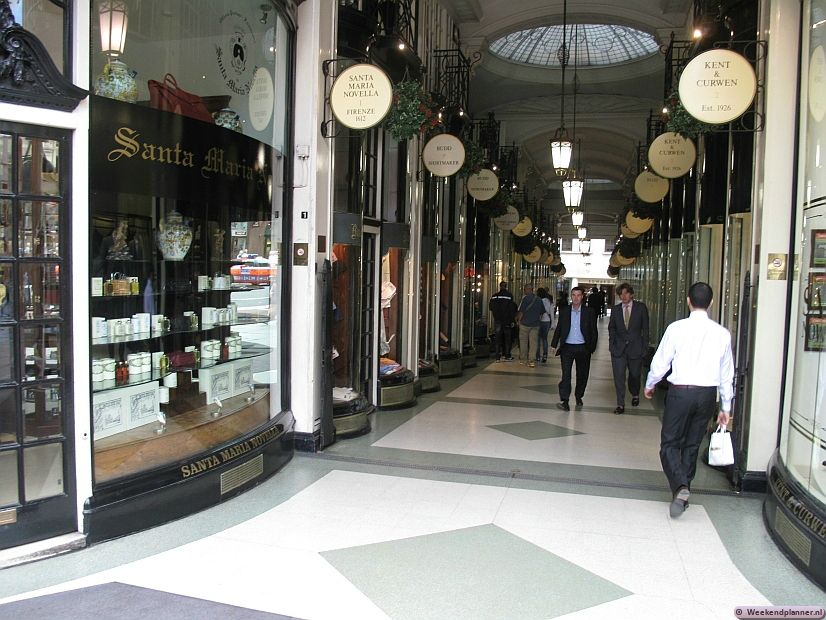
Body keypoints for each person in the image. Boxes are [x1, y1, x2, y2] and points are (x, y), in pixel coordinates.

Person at [644, 282, 733, 518]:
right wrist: (726, 406)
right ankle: (683, 493)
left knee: (670, 444)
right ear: (711, 303)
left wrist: (651, 383)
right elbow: (727, 374)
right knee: (692, 444)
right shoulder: (722, 334)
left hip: (680, 392)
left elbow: (661, 360)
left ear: (688, 301)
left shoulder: (676, 329)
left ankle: (680, 486)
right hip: (707, 395)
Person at [551, 286, 598, 410]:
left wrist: (591, 348)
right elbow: (559, 328)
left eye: (578, 295)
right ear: (571, 296)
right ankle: (565, 400)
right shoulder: (565, 311)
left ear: (582, 296)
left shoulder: (589, 312)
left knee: (582, 375)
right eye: (573, 295)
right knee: (566, 375)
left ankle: (578, 395)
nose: (576, 298)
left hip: (583, 348)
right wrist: (554, 344)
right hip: (567, 348)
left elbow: (594, 331)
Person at [608, 283, 649, 414]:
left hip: (636, 348)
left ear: (631, 294)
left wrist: (644, 348)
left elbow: (646, 329)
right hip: (618, 349)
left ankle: (635, 394)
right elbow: (612, 328)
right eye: (621, 294)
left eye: (626, 293)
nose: (623, 296)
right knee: (619, 377)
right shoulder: (615, 309)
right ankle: (620, 404)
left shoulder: (641, 308)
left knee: (635, 375)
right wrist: (612, 345)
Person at [516, 283, 544, 368]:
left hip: (525, 324)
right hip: (535, 325)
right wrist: (537, 320)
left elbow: (521, 312)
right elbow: (542, 313)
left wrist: (519, 321)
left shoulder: (525, 299)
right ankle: (531, 361)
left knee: (523, 342)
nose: (524, 291)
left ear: (528, 290)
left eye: (525, 289)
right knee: (533, 343)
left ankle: (523, 359)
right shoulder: (539, 299)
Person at [489, 281, 516, 361]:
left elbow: (490, 307)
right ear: (506, 286)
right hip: (507, 320)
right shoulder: (509, 296)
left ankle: (497, 356)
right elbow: (511, 309)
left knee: (498, 338)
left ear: (500, 286)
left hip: (497, 320)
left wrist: (496, 314)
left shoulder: (494, 296)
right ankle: (507, 355)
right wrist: (512, 320)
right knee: (507, 339)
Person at [535, 288, 554, 364]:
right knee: (545, 339)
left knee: (538, 339)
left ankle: (538, 356)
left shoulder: (537, 300)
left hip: (539, 322)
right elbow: (551, 313)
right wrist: (552, 324)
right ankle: (545, 355)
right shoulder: (549, 301)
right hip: (547, 321)